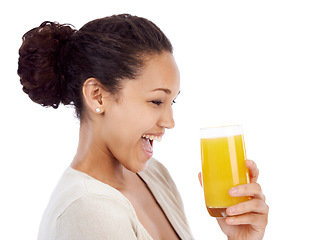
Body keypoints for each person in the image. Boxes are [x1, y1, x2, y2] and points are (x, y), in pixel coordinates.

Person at [18, 14, 268, 240]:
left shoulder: (153, 175)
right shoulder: (89, 208)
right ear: (97, 96)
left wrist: (240, 239)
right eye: (156, 101)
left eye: (172, 101)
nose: (169, 121)